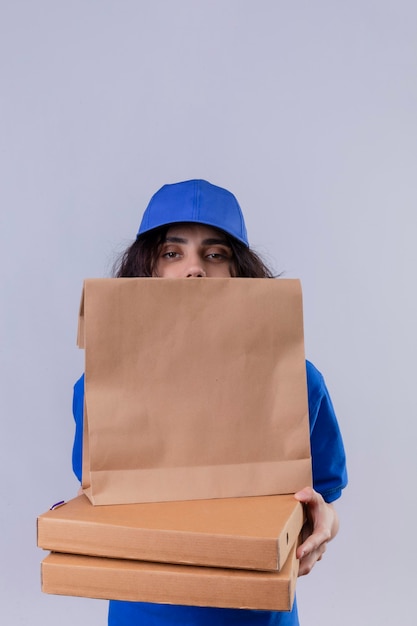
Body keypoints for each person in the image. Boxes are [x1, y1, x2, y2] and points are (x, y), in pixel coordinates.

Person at [72, 179, 348, 626]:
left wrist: (324, 526)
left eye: (215, 254)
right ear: (148, 271)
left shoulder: (298, 380)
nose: (194, 269)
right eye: (172, 253)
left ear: (238, 272)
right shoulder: (100, 388)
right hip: (144, 611)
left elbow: (326, 499)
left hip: (258, 614)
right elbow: (96, 495)